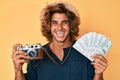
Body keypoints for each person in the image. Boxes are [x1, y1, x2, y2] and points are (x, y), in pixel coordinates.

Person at [11, 2, 108, 80]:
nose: (60, 27)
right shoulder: (36, 55)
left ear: (71, 25)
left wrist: (99, 74)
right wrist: (17, 70)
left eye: (64, 22)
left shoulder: (86, 53)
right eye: (54, 23)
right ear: (48, 26)